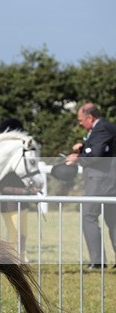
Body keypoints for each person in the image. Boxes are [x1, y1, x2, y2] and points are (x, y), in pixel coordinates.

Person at [65, 103, 116, 269]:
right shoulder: (103, 128)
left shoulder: (101, 128)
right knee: (113, 220)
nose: (80, 123)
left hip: (101, 181)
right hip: (108, 181)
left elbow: (97, 154)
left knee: (88, 215)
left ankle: (98, 261)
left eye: (81, 120)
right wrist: (83, 148)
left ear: (90, 117)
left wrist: (77, 158)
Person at [0, 117, 39, 261]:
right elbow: (2, 186)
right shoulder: (3, 161)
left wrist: (31, 187)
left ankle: (22, 255)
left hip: (23, 202)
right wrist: (25, 192)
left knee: (23, 232)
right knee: (13, 232)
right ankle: (12, 258)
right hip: (10, 203)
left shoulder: (20, 157)